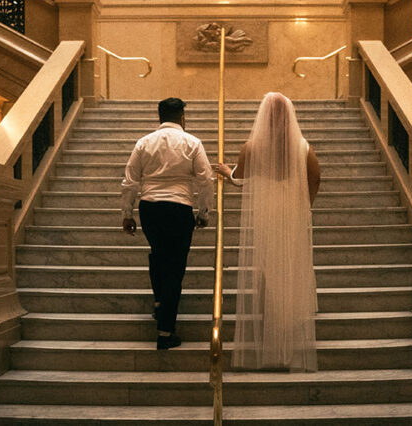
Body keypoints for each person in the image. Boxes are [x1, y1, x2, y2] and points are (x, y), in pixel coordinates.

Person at [218, 92, 320, 371]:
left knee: (268, 271)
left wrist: (227, 171)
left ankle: (268, 336)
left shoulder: (252, 146)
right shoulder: (303, 147)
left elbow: (240, 179)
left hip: (267, 215)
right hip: (292, 214)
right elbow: (315, 178)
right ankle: (286, 337)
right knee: (290, 271)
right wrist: (304, 205)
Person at [121, 97, 214, 350]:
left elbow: (130, 181)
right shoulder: (193, 142)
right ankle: (165, 332)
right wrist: (204, 212)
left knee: (159, 255)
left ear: (159, 116)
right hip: (179, 206)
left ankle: (160, 302)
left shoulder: (144, 142)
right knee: (175, 266)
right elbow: (206, 180)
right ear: (182, 117)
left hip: (149, 207)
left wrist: (128, 213)